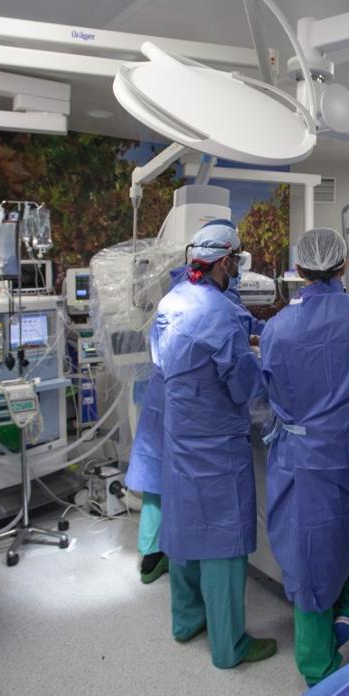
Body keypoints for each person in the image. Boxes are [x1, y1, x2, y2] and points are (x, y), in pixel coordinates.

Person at [259, 228, 349, 686]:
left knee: (310, 552)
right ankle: (332, 637)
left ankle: (323, 649)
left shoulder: (276, 328)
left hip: (302, 456)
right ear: (344, 266)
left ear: (298, 271)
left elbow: (269, 391)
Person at [152, 223, 277, 668]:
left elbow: (167, 363)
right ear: (226, 261)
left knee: (184, 531)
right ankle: (230, 646)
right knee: (223, 543)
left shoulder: (172, 301)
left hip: (181, 435)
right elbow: (244, 386)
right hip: (217, 443)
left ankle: (187, 623)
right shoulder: (221, 317)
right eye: (238, 261)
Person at [126, 368, 169, 583]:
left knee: (156, 475)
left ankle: (153, 552)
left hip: (165, 394)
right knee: (157, 475)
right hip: (182, 400)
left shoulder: (165, 334)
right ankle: (157, 553)